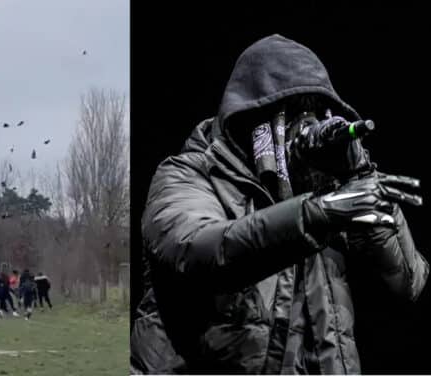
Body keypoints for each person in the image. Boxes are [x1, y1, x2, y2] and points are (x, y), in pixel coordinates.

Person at [130, 34, 429, 374]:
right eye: (296, 114)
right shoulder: (189, 175)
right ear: (251, 120)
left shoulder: (329, 190)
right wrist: (316, 215)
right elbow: (198, 251)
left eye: (318, 113)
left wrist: (359, 175)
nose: (308, 126)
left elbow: (407, 284)